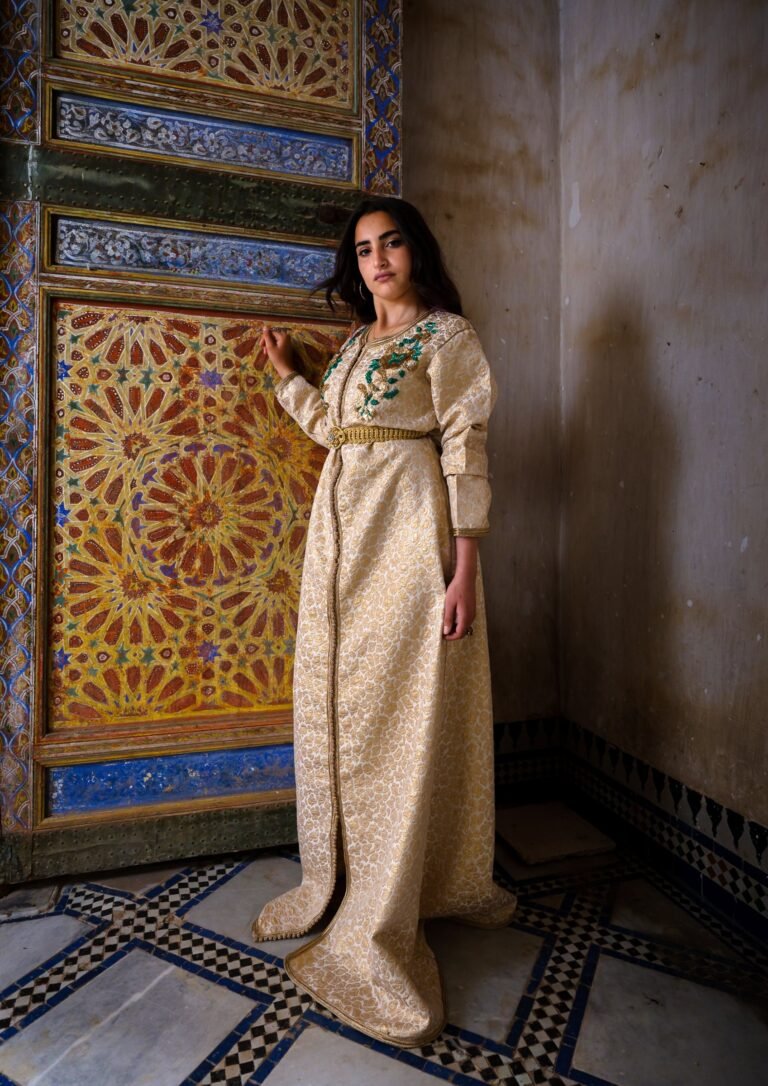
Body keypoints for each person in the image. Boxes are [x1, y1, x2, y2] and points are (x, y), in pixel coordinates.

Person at [252, 196, 516, 1047]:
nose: (377, 259)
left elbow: (465, 445)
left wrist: (464, 569)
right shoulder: (357, 347)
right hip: (340, 535)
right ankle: (340, 877)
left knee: (400, 711)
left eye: (391, 242)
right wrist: (290, 374)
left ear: (416, 251)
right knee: (347, 705)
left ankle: (385, 914)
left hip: (409, 532)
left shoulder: (446, 338)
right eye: (363, 249)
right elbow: (333, 428)